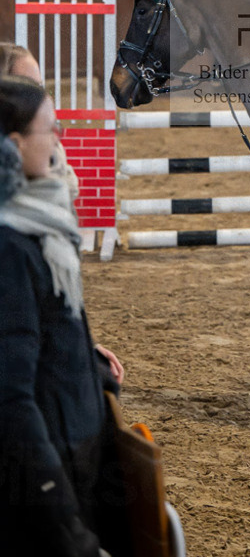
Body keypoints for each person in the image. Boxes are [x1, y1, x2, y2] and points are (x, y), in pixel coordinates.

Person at [0, 76, 123, 556]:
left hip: (71, 448)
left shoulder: (39, 224)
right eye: (50, 129)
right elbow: (10, 396)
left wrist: (87, 371)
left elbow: (42, 333)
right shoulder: (11, 245)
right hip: (46, 477)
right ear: (14, 145)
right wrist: (63, 517)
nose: (58, 139)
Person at [0, 41, 123, 382]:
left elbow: (57, 295)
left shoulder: (52, 169)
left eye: (42, 85)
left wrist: (84, 343)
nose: (42, 96)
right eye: (29, 86)